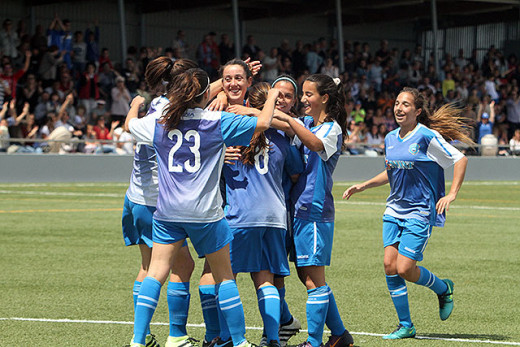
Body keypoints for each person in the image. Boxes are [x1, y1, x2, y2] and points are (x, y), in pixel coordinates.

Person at [125, 66, 277, 347]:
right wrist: (272, 95)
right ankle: (241, 341)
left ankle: (137, 339)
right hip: (206, 213)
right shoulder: (215, 121)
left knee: (156, 272)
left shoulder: (160, 121)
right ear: (206, 93)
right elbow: (265, 123)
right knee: (225, 277)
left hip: (168, 212)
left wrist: (134, 106)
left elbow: (129, 126)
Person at [343, 86, 471, 339]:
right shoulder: (390, 138)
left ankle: (443, 288)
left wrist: (452, 193)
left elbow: (460, 159)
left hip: (420, 211)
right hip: (394, 209)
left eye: (406, 105)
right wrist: (364, 185)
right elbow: (392, 171)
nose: (399, 108)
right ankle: (405, 326)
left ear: (418, 111)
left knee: (404, 268)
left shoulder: (426, 136)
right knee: (389, 266)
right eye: (397, 103)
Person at [273, 74, 354, 347]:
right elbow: (284, 121)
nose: (304, 99)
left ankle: (313, 341)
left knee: (314, 278)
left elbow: (315, 144)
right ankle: (340, 335)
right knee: (305, 274)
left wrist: (292, 122)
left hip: (315, 212)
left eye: (309, 94)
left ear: (325, 98)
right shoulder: (307, 123)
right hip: (299, 210)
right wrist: (248, 110)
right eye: (304, 94)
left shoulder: (332, 130)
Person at [223, 82, 303, 347]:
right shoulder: (282, 138)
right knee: (266, 281)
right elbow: (295, 173)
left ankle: (227, 338)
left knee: (226, 278)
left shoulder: (233, 132)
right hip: (275, 217)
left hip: (241, 215)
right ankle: (272, 340)